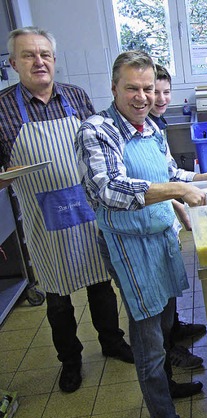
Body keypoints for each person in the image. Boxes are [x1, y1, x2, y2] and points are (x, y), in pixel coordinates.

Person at [76, 50, 207, 418]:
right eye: (132, 88)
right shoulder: (96, 130)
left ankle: (167, 388)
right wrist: (178, 191)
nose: (142, 96)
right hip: (129, 247)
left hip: (161, 240)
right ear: (114, 87)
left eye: (148, 88)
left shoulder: (151, 128)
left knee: (168, 324)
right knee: (149, 342)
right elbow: (108, 189)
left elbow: (173, 173)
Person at [0, 26, 133, 394]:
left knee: (101, 286)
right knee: (58, 301)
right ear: (13, 63)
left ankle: (112, 341)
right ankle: (70, 361)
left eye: (44, 54)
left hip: (88, 211)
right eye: (28, 55)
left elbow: (98, 147)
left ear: (54, 60)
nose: (38, 61)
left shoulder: (76, 97)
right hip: (46, 221)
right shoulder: (3, 109)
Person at [149, 64, 206, 371]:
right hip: (150, 220)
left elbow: (170, 174)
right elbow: (154, 184)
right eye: (154, 91)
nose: (160, 98)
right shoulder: (142, 126)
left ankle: (175, 327)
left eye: (165, 92)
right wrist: (181, 204)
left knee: (170, 282)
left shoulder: (158, 123)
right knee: (159, 291)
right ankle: (169, 348)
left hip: (164, 217)